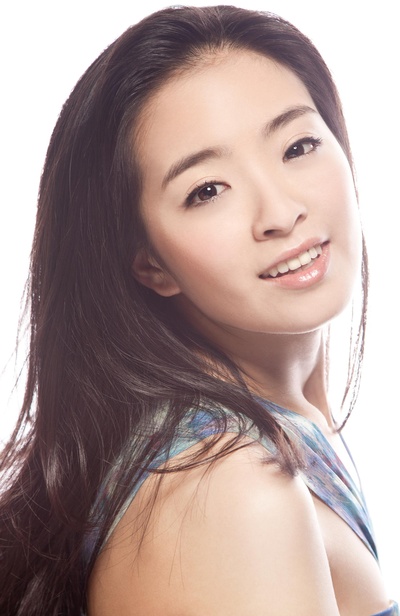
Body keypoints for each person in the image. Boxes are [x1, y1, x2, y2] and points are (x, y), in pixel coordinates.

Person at [0, 5, 397, 615]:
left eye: (298, 145)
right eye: (206, 190)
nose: (280, 212)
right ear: (149, 263)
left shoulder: (280, 431)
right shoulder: (226, 492)